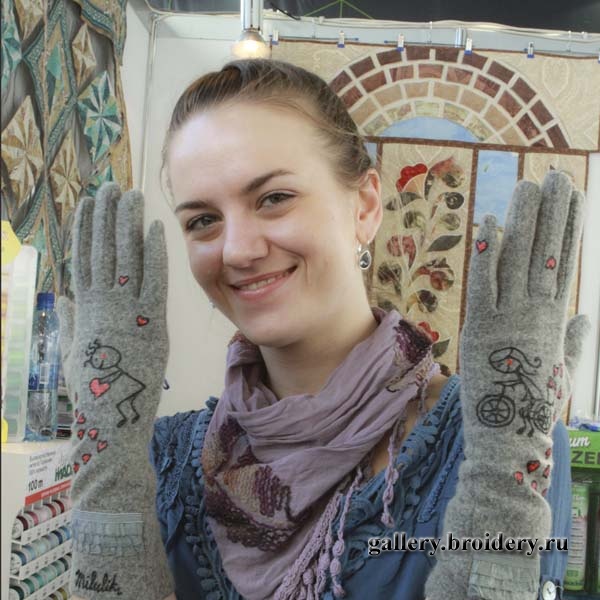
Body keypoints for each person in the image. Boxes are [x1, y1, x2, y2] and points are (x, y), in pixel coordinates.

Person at [58, 59, 588, 600]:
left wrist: (499, 482)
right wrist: (108, 464)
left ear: (366, 206)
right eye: (203, 221)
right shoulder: (155, 459)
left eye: (274, 198)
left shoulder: (504, 438)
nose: (237, 250)